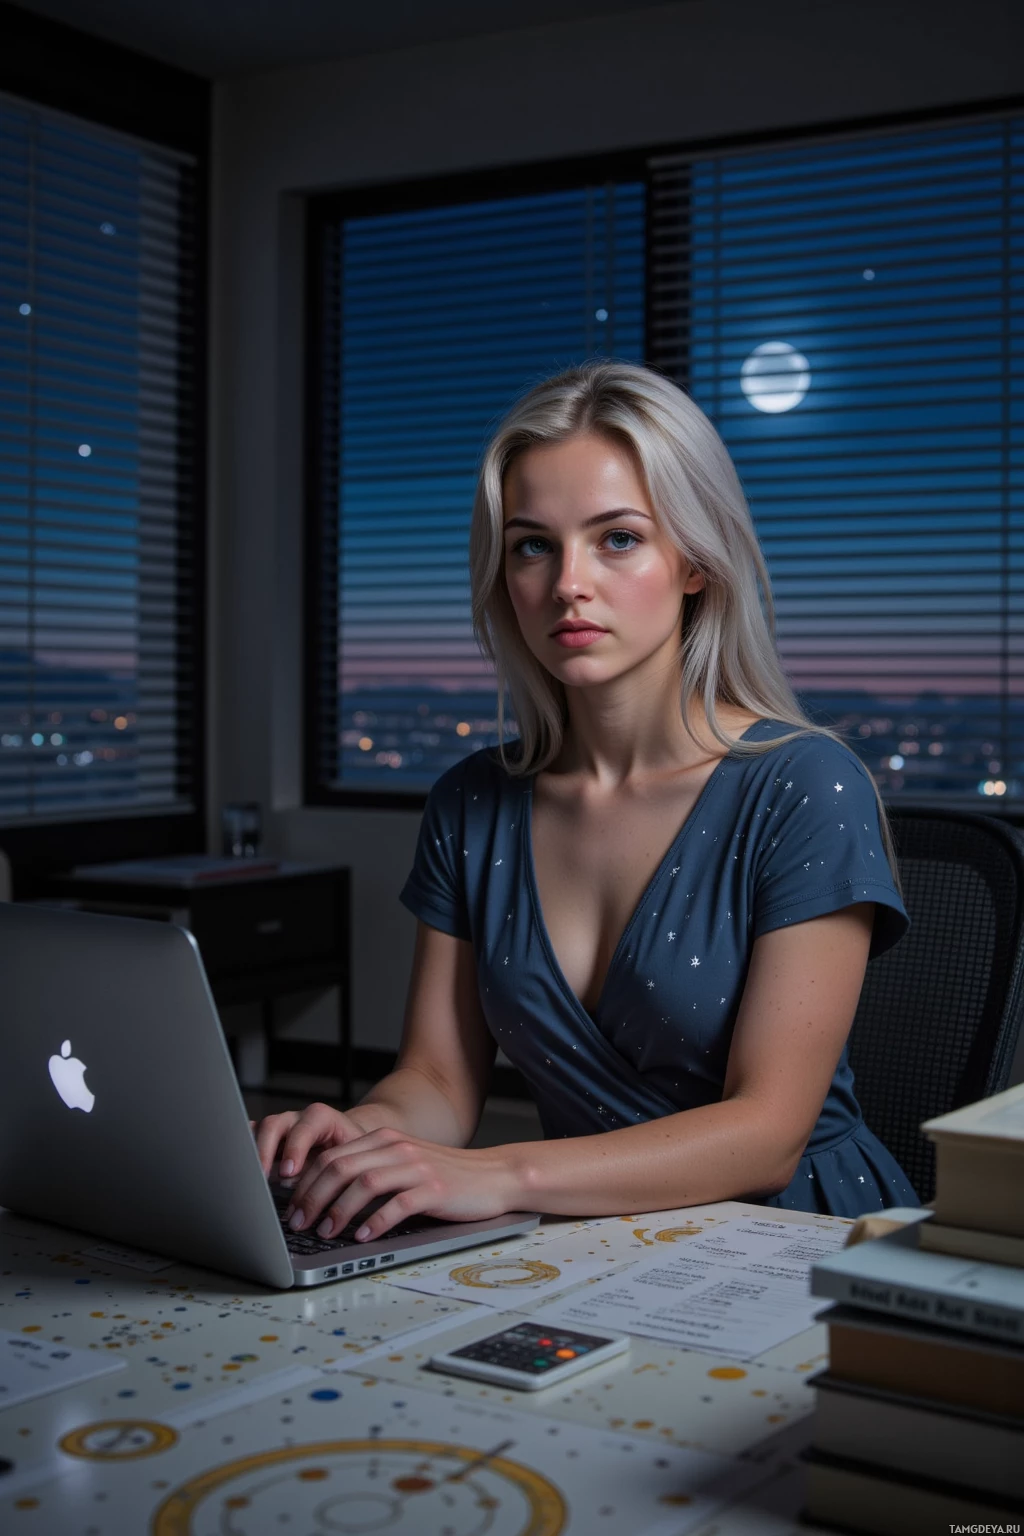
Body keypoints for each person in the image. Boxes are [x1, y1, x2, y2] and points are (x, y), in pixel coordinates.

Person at [254, 360, 917, 1246]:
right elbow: (440, 1086)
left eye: (617, 539)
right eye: (533, 544)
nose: (568, 582)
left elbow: (768, 1134)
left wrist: (500, 1171)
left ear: (694, 561)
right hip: (590, 1238)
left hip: (795, 1243)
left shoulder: (804, 786)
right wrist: (358, 1138)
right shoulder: (470, 803)